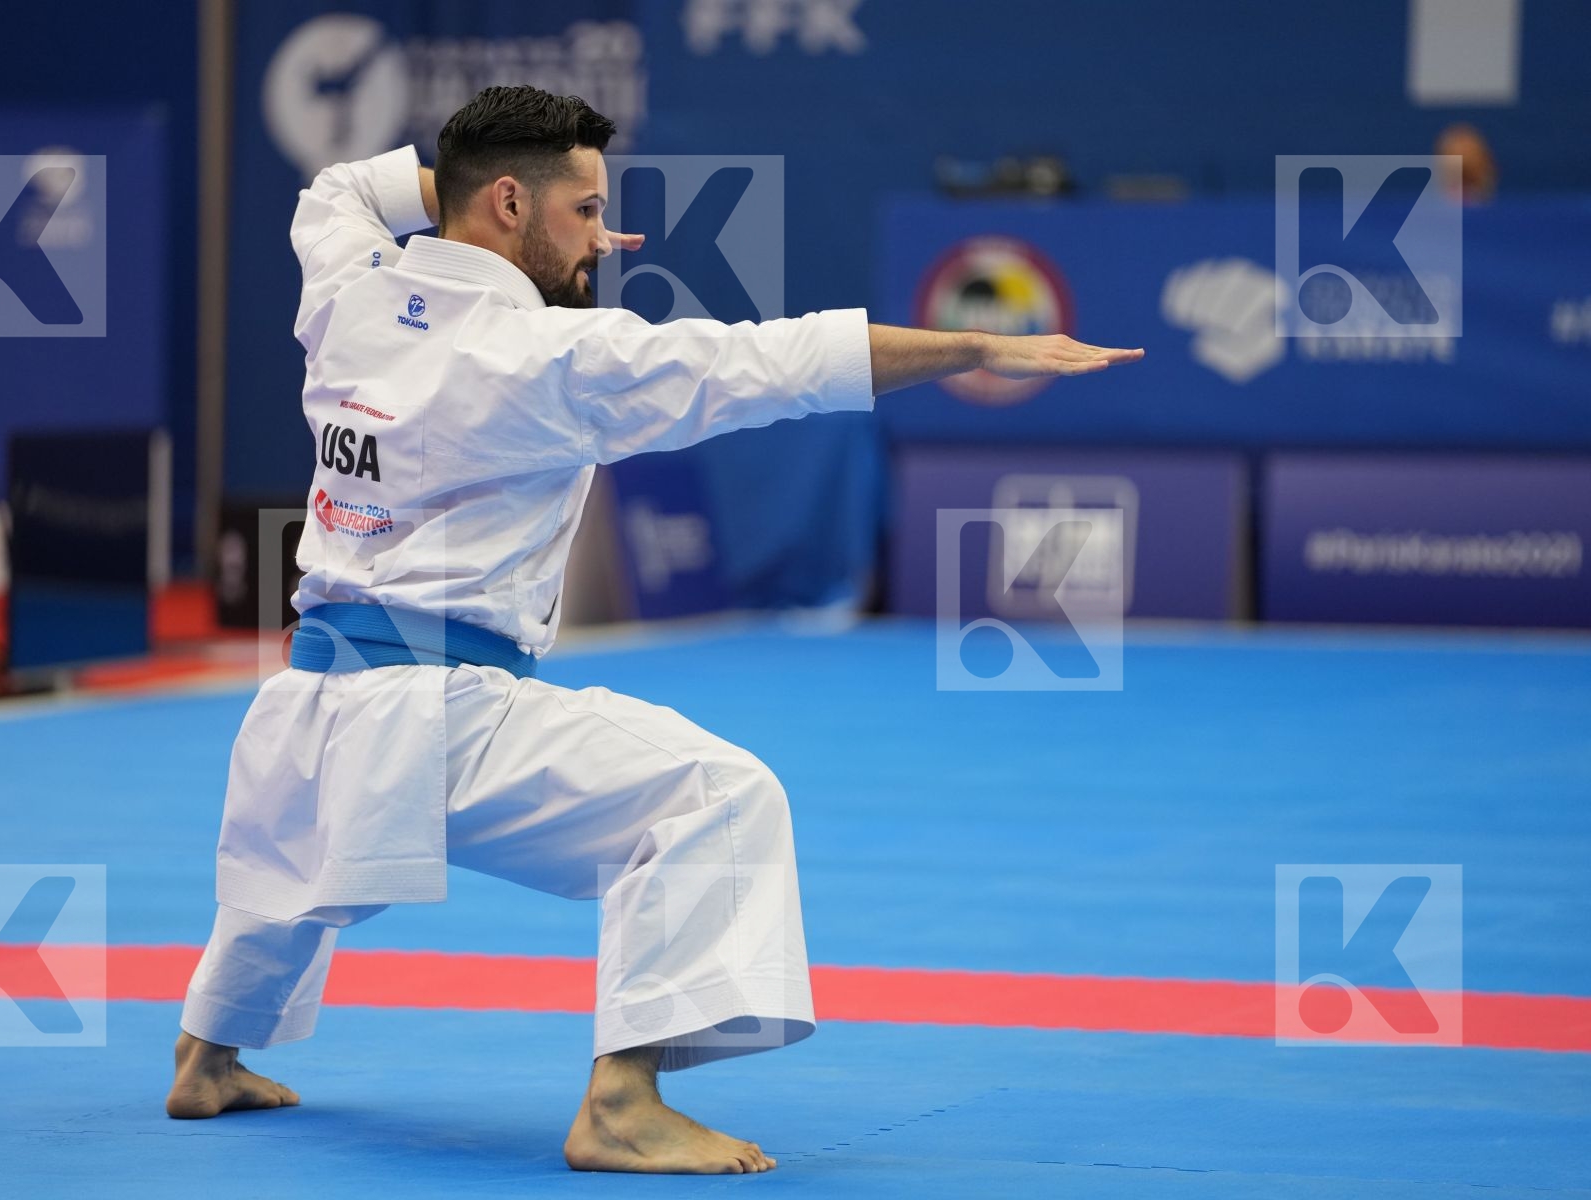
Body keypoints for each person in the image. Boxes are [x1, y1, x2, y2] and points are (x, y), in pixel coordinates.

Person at [165, 85, 1142, 1174]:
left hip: (307, 695)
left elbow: (339, 189)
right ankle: (625, 1101)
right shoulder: (544, 360)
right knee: (716, 795)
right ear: (504, 203)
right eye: (583, 213)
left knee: (295, 852)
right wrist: (970, 348)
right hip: (438, 715)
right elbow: (760, 365)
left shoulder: (348, 293)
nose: (602, 240)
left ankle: (206, 1057)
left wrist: (518, 194)